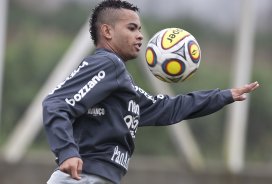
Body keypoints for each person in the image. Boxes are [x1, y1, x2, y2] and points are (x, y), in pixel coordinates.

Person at [42, 0, 260, 184]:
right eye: (131, 28)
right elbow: (56, 103)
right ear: (107, 31)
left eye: (139, 29)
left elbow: (167, 108)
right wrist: (67, 151)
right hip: (84, 178)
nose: (139, 35)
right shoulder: (107, 64)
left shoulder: (119, 83)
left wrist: (223, 96)